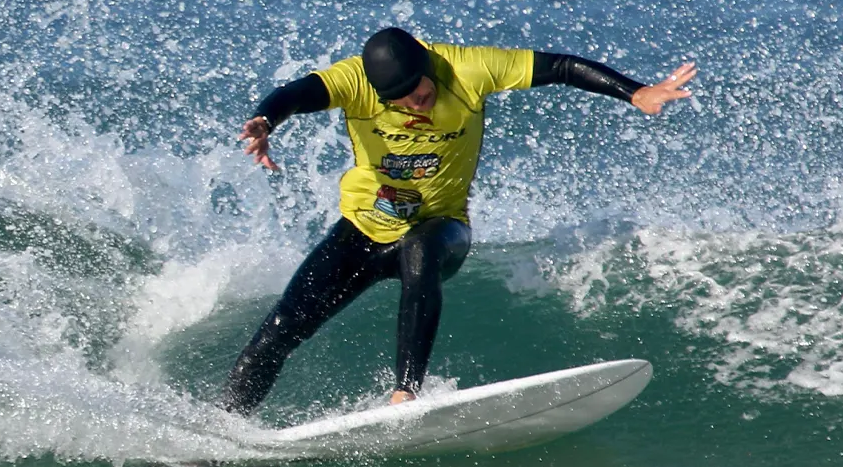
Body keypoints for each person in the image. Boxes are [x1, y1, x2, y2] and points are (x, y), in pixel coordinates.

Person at [219, 27, 695, 415]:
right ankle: (222, 435)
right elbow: (299, 92)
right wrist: (266, 121)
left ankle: (406, 393)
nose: (416, 105)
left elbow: (561, 67)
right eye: (400, 103)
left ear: (429, 69)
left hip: (442, 226)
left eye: (421, 93)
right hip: (361, 230)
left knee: (421, 249)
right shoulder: (355, 81)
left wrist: (636, 92)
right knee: (278, 331)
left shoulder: (465, 68)